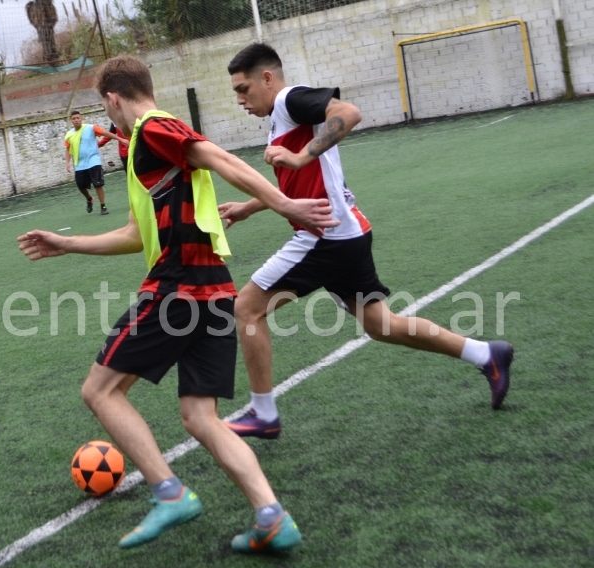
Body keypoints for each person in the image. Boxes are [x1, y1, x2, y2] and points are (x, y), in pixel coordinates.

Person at [19, 56, 336, 552]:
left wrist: (285, 205)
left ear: (112, 99)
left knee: (100, 391)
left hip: (177, 288)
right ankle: (271, 517)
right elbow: (134, 234)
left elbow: (221, 159)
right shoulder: (143, 150)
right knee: (200, 417)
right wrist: (68, 244)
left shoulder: (153, 127)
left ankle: (168, 492)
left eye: (105, 107)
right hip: (215, 291)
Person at [219, 43, 515, 441]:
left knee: (246, 309)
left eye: (243, 89)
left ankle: (263, 413)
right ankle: (486, 354)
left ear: (267, 78)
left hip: (325, 236)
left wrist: (302, 155)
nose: (240, 99)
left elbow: (348, 113)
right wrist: (249, 208)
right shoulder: (281, 118)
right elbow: (294, 182)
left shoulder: (289, 100)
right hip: (347, 233)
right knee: (381, 325)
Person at [64, 110, 128, 215]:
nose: (76, 120)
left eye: (78, 118)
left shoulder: (91, 128)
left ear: (81, 118)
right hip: (80, 164)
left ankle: (103, 206)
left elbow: (106, 133)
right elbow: (67, 149)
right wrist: (67, 162)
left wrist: (120, 139)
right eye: (74, 119)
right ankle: (89, 199)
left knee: (97, 184)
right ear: (71, 121)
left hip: (93, 161)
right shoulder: (69, 135)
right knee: (81, 186)